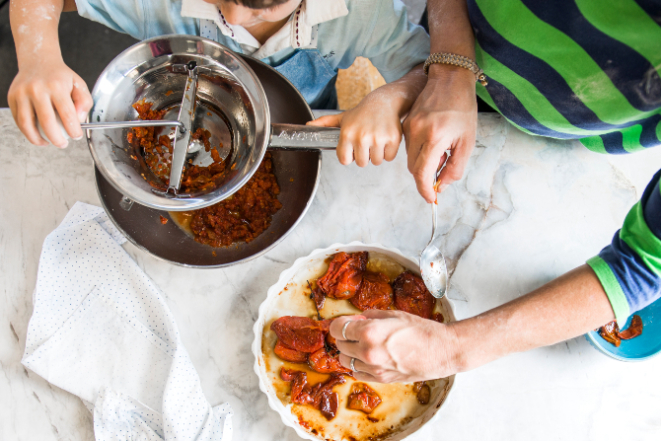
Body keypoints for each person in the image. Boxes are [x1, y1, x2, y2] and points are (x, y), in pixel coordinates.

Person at [328, 0, 661, 382]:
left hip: (561, 138)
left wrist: (453, 349)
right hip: (451, 39)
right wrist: (450, 71)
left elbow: (644, 265)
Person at [7, 0, 430, 168]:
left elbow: (431, 68)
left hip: (303, 112)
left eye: (260, 5)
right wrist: (38, 60)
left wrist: (392, 96)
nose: (233, 16)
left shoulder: (364, 10)